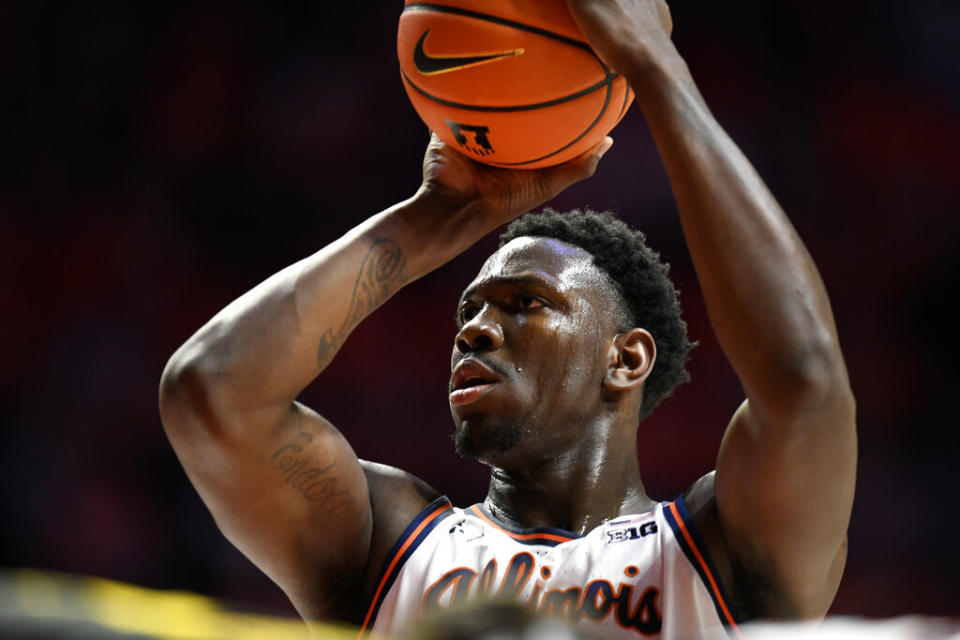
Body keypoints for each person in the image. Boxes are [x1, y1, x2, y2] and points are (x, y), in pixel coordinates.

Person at [159, 1, 856, 638]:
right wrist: (434, 219)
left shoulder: (721, 548)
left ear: (627, 359)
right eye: (470, 309)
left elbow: (805, 381)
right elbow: (213, 391)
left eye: (527, 303)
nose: (474, 330)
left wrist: (654, 67)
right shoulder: (387, 539)